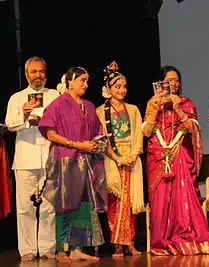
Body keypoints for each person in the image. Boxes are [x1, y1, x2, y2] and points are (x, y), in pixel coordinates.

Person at [38, 67, 128, 263]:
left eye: (87, 81)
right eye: (81, 80)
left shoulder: (88, 105)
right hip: (65, 160)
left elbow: (98, 132)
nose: (85, 85)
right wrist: (75, 144)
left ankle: (77, 248)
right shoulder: (58, 104)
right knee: (65, 204)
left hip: (85, 161)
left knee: (84, 205)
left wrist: (99, 146)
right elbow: (49, 132)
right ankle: (62, 249)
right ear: (69, 81)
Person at [141, 65, 209, 255]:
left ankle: (186, 236)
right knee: (160, 199)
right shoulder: (152, 103)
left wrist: (178, 109)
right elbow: (147, 132)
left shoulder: (186, 102)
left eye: (175, 80)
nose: (172, 83)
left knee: (183, 196)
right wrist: (155, 111)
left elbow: (192, 129)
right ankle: (161, 241)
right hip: (157, 157)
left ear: (179, 83)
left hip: (180, 154)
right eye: (168, 80)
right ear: (161, 83)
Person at [5, 56, 59, 261]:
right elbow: (10, 124)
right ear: (26, 74)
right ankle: (27, 248)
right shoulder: (17, 98)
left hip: (49, 156)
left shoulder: (55, 95)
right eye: (34, 72)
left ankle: (47, 246)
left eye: (41, 71)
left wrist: (44, 118)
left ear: (46, 73)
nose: (38, 75)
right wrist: (25, 117)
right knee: (24, 207)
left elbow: (62, 120)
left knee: (48, 205)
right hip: (25, 158)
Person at [96, 61, 145, 258]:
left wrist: (133, 155)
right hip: (112, 160)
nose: (122, 90)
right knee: (115, 202)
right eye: (118, 86)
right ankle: (117, 243)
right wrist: (116, 158)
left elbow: (139, 135)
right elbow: (101, 139)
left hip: (131, 158)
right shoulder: (100, 112)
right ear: (108, 89)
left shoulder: (132, 109)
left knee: (131, 202)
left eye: (124, 86)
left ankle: (130, 242)